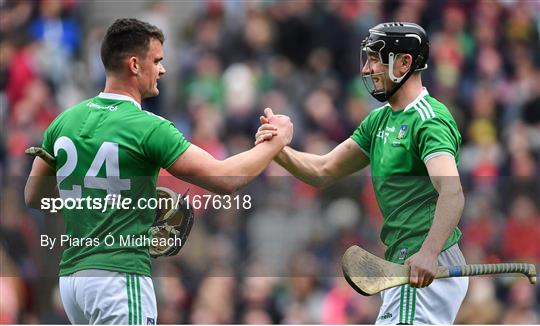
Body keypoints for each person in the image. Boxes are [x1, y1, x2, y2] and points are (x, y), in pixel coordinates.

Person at [24, 18, 292, 325]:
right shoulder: (148, 128)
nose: (162, 70)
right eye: (157, 60)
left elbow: (34, 196)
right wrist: (275, 142)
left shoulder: (63, 121)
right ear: (135, 65)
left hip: (72, 281)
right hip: (119, 279)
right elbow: (226, 179)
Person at [256, 22, 468, 324]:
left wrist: (429, 254)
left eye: (375, 59)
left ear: (404, 62)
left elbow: (452, 193)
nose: (367, 69)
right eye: (366, 59)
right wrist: (275, 148)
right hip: (405, 260)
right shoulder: (380, 120)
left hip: (423, 263)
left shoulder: (428, 120)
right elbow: (323, 170)